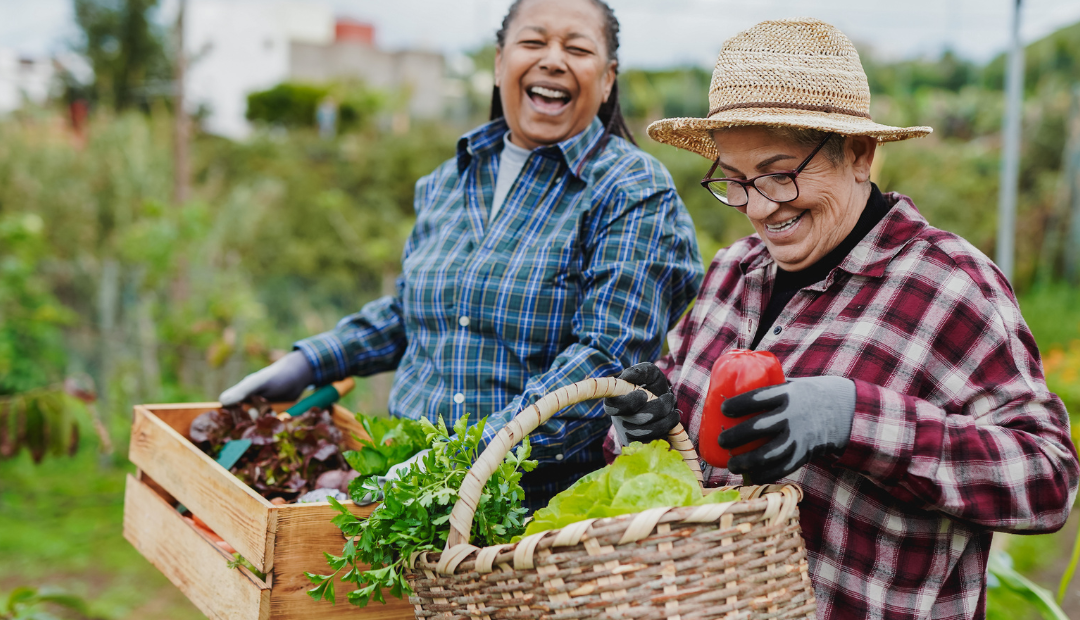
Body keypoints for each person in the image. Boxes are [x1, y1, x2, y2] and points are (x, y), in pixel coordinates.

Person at [602, 17, 1079, 620]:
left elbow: (1047, 480)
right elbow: (688, 458)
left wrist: (854, 417)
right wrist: (643, 433)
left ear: (859, 154)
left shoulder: (948, 285)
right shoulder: (732, 271)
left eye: (779, 174)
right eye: (736, 179)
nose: (757, 206)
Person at [220, 0, 702, 509]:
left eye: (577, 48)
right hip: (399, 489)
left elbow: (606, 359)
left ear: (606, 80)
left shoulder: (631, 190)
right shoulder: (449, 181)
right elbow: (414, 310)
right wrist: (310, 361)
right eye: (533, 42)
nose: (553, 60)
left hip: (526, 510)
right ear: (499, 63)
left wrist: (464, 458)